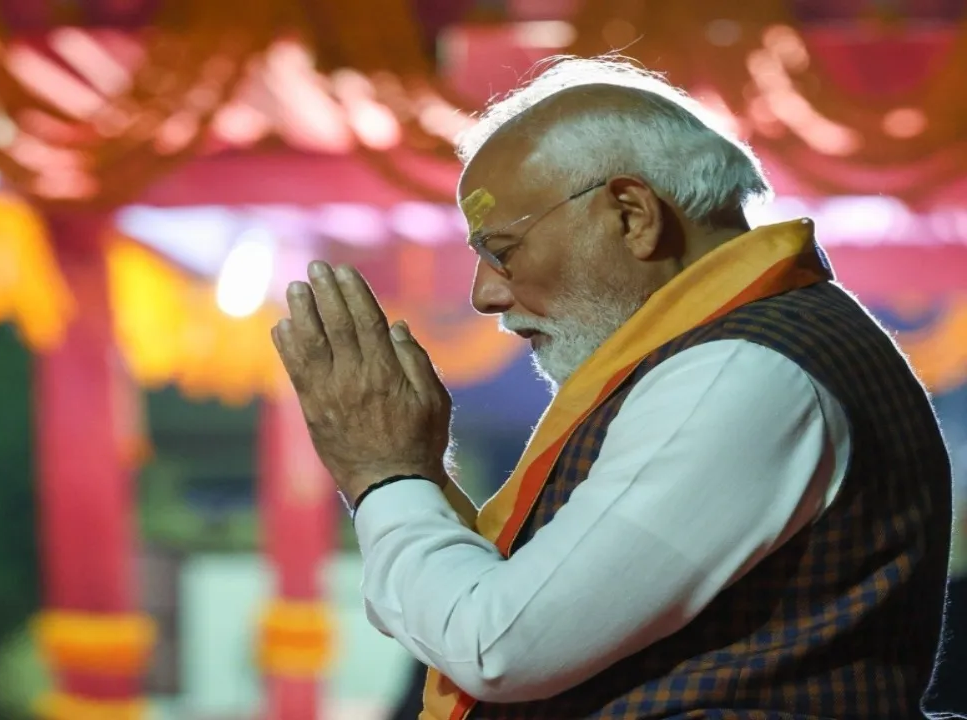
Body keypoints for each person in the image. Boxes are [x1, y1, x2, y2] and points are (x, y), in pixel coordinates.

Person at [270, 56, 954, 719]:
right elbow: (504, 610)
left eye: (502, 250)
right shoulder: (731, 354)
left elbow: (499, 645)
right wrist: (406, 472)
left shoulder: (743, 370)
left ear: (632, 213)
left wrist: (385, 475)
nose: (485, 293)